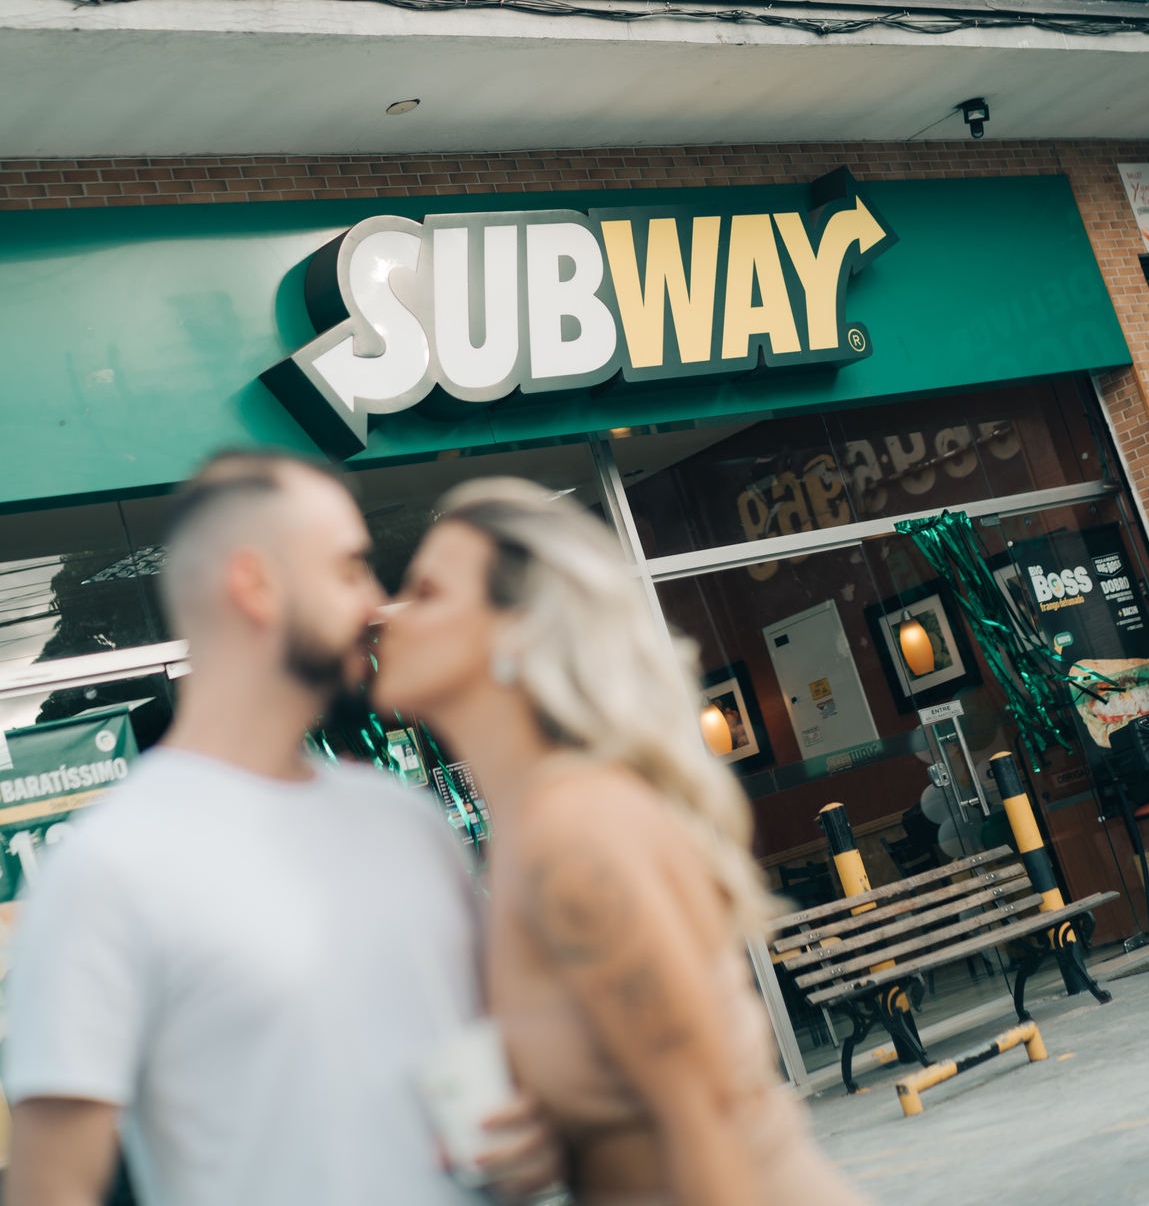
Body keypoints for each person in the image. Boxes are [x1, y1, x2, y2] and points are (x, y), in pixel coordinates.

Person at [3, 449, 560, 1206]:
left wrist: (535, 1137)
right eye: (348, 567)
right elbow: (54, 1188)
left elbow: (476, 1069)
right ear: (257, 584)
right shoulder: (112, 867)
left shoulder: (407, 822)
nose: (374, 600)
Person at [372, 478, 868, 1206]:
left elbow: (708, 1127)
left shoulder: (575, 830)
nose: (393, 616)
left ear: (514, 628)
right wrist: (563, 1141)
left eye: (427, 591)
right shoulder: (536, 824)